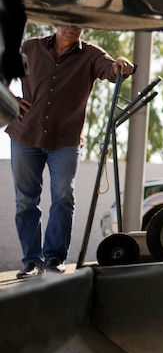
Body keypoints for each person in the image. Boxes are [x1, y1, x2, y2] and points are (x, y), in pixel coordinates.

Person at [7, 24, 136, 278]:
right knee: (25, 200)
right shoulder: (30, 48)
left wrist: (120, 63)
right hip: (25, 134)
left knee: (64, 196)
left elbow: (110, 68)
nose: (71, 28)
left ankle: (54, 258)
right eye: (66, 22)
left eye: (78, 24)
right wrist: (8, 98)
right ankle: (31, 261)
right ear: (55, 22)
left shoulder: (90, 55)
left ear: (84, 27)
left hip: (65, 140)